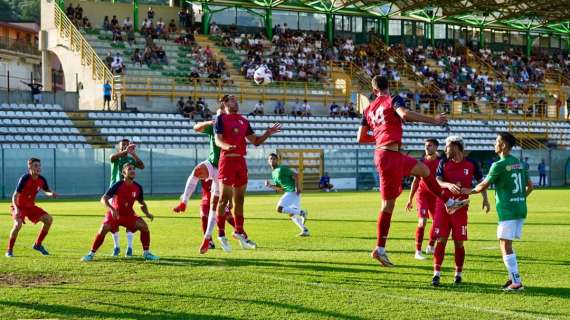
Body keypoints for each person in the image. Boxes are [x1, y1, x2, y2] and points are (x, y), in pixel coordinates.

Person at [357, 75, 468, 268]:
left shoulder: (367, 109)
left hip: (384, 155)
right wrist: (433, 120)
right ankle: (380, 249)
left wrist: (379, 137)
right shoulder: (392, 99)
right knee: (387, 206)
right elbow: (405, 114)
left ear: (374, 90)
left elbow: (360, 137)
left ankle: (448, 201)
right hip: (390, 156)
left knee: (423, 170)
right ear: (388, 87)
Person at [214, 94, 281, 250]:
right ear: (224, 103)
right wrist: (225, 146)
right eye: (231, 100)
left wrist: (267, 133)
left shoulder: (244, 121)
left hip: (240, 162)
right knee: (224, 200)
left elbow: (255, 141)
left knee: (240, 200)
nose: (235, 102)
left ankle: (238, 232)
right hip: (227, 161)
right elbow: (218, 139)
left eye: (236, 100)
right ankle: (221, 234)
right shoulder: (220, 119)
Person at [470, 132, 532, 292]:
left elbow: (482, 185)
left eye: (497, 141)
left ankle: (516, 283)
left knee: (505, 245)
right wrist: (519, 198)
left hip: (508, 211)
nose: (494, 144)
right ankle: (512, 277)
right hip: (520, 209)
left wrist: (466, 191)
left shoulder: (498, 165)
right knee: (506, 243)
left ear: (504, 145)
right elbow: (530, 186)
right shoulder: (518, 163)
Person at [431, 136, 490, 287]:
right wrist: (447, 185)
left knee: (459, 242)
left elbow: (481, 182)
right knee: (441, 240)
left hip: (461, 208)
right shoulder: (443, 161)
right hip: (443, 206)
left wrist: (485, 198)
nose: (445, 149)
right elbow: (437, 180)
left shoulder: (471, 163)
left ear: (457, 147)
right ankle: (436, 274)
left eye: (448, 146)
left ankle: (458, 274)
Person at [172, 109, 233, 253]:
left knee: (214, 207)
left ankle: (207, 239)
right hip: (212, 163)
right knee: (196, 171)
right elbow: (195, 127)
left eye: (222, 115)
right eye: (219, 115)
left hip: (224, 170)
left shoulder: (233, 129)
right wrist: (209, 122)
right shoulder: (214, 126)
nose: (220, 117)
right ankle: (183, 202)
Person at [82, 164, 159, 262]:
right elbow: (103, 198)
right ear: (124, 173)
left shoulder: (138, 187)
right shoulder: (118, 185)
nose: (132, 171)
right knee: (103, 229)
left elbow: (141, 203)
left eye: (133, 169)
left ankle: (146, 253)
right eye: (129, 169)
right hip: (115, 214)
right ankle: (91, 254)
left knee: (144, 226)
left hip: (129, 215)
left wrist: (147, 213)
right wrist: (112, 209)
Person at [6, 158, 58, 257]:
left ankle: (38, 244)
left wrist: (51, 194)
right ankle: (9, 250)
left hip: (30, 207)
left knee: (48, 219)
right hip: (19, 206)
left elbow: (46, 190)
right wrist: (16, 209)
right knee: (17, 225)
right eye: (35, 165)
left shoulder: (42, 179)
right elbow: (15, 195)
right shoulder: (25, 178)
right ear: (29, 167)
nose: (38, 168)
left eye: (39, 165)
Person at [405, 138, 440, 260]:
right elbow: (415, 181)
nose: (427, 147)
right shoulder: (420, 162)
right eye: (426, 145)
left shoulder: (441, 162)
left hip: (435, 196)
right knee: (422, 221)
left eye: (430, 145)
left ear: (436, 147)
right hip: (422, 195)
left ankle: (430, 246)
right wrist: (410, 199)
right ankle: (418, 252)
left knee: (438, 224)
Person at [109, 139, 145, 257]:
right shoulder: (116, 157)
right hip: (115, 192)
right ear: (118, 147)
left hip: (128, 191)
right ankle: (116, 246)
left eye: (127, 145)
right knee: (114, 219)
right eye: (122, 145)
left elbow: (142, 166)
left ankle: (129, 247)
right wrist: (125, 151)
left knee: (129, 217)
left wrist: (133, 153)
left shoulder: (130, 160)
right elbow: (112, 158)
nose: (125, 146)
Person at [265, 153, 309, 236]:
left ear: (277, 160)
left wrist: (297, 187)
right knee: (292, 214)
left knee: (279, 209)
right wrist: (270, 185)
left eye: (274, 159)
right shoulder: (273, 173)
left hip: (292, 191)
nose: (272, 160)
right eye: (270, 159)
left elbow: (296, 175)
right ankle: (305, 230)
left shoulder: (282, 168)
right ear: (268, 161)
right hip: (290, 192)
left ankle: (302, 212)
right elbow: (280, 188)